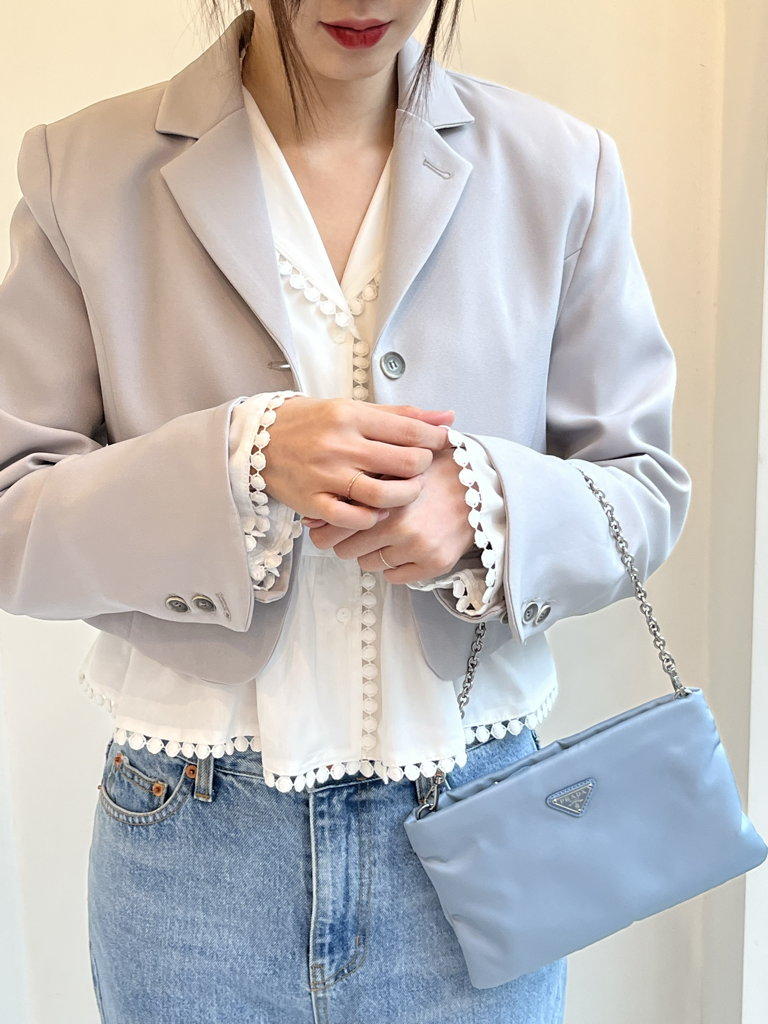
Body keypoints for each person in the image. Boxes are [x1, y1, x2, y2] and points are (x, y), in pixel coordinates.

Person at [0, 2, 691, 1021]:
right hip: (188, 853)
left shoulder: (561, 168)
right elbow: (13, 508)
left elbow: (642, 488)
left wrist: (487, 507)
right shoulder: (84, 168)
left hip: (484, 819)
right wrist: (240, 462)